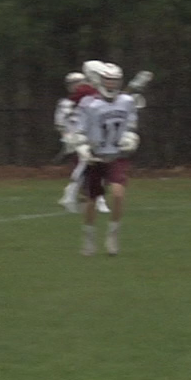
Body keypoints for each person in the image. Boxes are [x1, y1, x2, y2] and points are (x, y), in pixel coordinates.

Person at [65, 61, 141, 256]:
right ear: (100, 80)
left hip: (117, 156)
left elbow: (131, 126)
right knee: (91, 201)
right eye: (108, 80)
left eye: (114, 81)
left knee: (117, 194)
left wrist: (130, 138)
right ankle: (89, 238)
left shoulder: (127, 101)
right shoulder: (89, 104)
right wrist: (82, 147)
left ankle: (112, 235)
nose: (111, 85)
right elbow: (79, 130)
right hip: (96, 158)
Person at [54, 71, 109, 214]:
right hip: (77, 140)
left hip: (92, 138)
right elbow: (61, 123)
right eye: (72, 84)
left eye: (78, 83)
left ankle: (71, 194)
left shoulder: (92, 101)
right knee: (86, 164)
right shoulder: (66, 103)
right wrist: (67, 138)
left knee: (90, 167)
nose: (75, 86)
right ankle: (97, 198)